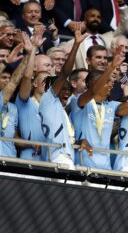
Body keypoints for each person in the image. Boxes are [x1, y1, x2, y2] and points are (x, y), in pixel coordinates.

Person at [39, 23, 91, 169]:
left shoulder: (61, 110)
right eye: (63, 88)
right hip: (58, 158)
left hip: (65, 157)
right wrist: (76, 44)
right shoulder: (49, 99)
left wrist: (79, 142)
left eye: (68, 89)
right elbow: (64, 73)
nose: (67, 91)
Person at [66, 0, 128, 69]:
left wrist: (121, 4)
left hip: (105, 78)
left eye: (98, 17)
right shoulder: (72, 43)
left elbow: (124, 27)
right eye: (92, 16)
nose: (95, 19)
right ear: (85, 20)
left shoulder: (109, 37)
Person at [16, 26, 49, 161]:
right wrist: (34, 48)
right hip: (29, 159)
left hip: (50, 160)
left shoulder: (53, 106)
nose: (48, 85)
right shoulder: (25, 102)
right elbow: (27, 77)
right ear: (35, 83)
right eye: (45, 81)